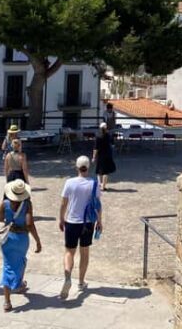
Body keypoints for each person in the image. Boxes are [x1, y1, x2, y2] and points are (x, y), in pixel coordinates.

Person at [58, 155, 102, 299]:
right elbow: (97, 206)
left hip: (72, 221)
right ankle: (81, 282)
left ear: (76, 167)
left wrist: (61, 218)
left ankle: (67, 277)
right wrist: (100, 221)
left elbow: (64, 203)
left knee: (69, 252)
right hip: (88, 223)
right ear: (88, 167)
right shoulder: (94, 183)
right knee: (84, 252)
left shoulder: (69, 182)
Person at [0, 179, 42, 313]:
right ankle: (19, 284)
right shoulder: (27, 204)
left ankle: (7, 301)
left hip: (8, 238)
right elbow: (29, 223)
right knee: (21, 260)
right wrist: (38, 240)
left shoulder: (5, 203)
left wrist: (8, 218)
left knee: (7, 265)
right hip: (22, 238)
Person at [92, 123, 116, 191]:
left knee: (99, 170)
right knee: (106, 172)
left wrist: (93, 157)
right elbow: (113, 144)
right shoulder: (109, 135)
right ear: (106, 128)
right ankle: (103, 186)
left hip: (100, 155)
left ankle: (100, 185)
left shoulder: (98, 136)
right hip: (108, 154)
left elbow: (95, 148)